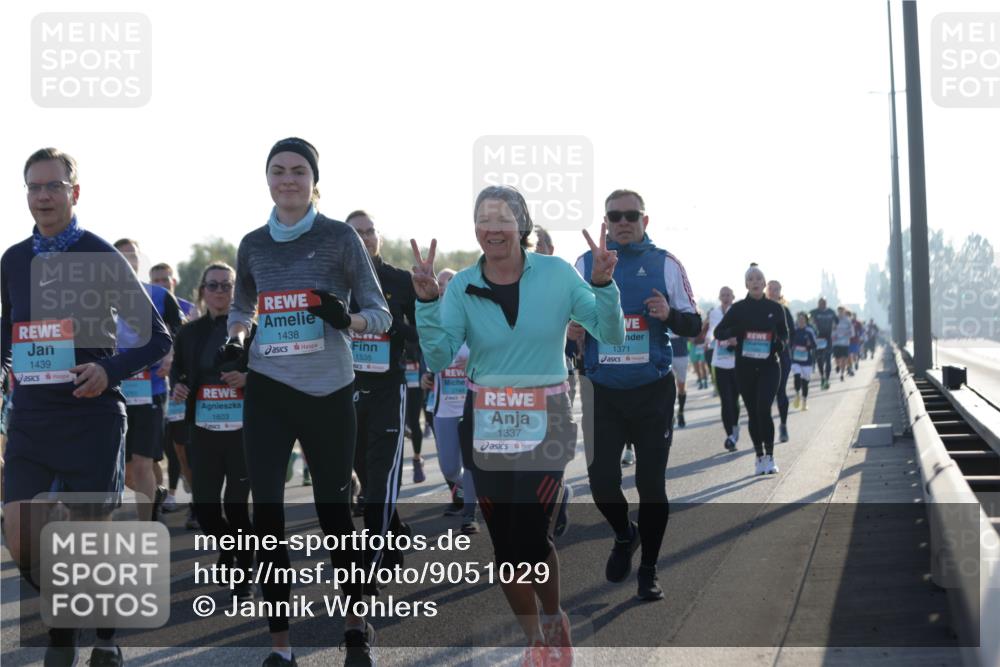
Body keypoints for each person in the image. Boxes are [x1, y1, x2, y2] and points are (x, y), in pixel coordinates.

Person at [412, 185, 625, 666]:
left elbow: (609, 333)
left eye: (503, 218)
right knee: (507, 550)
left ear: (522, 226)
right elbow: (439, 354)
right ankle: (538, 641)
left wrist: (605, 286)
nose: (492, 228)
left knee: (531, 539)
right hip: (484, 421)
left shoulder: (556, 274)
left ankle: (553, 619)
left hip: (545, 419)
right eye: (483, 219)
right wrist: (427, 303)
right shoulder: (464, 284)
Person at [2, 147, 172, 667]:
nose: (43, 196)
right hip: (31, 418)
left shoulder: (101, 256)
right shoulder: (13, 260)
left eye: (53, 186)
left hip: (91, 416)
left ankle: (95, 636)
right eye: (34, 187)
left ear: (75, 193)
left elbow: (156, 338)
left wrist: (108, 370)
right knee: (20, 535)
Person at [226, 137, 391, 667]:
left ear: (314, 181)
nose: (288, 179)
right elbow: (242, 304)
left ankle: (355, 625)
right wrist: (237, 333)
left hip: (328, 389)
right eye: (279, 171)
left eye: (299, 171)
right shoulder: (252, 243)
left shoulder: (340, 237)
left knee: (334, 511)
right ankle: (281, 644)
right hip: (269, 389)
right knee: (267, 512)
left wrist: (349, 321)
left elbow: (379, 313)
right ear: (267, 179)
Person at [573, 188, 701, 602]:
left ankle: (649, 570)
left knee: (651, 485)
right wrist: (569, 330)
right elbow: (564, 319)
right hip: (602, 391)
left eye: (632, 215)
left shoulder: (665, 263)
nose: (623, 222)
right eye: (615, 216)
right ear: (605, 222)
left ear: (645, 222)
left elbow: (694, 324)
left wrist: (670, 315)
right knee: (601, 486)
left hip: (651, 392)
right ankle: (625, 534)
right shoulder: (582, 264)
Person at [170, 262, 255, 602]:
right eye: (213, 285)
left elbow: (273, 371)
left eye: (227, 285)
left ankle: (244, 572)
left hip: (242, 432)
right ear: (202, 291)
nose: (220, 291)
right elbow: (178, 371)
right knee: (205, 509)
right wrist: (178, 385)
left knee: (236, 508)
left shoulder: (253, 329)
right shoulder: (189, 333)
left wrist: (248, 379)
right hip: (203, 429)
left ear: (237, 291)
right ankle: (230, 547)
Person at [345, 209, 418, 573]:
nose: (365, 237)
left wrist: (391, 326)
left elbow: (421, 335)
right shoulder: (335, 283)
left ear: (379, 237)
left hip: (389, 387)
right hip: (348, 389)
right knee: (366, 474)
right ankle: (392, 533)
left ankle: (371, 560)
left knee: (381, 476)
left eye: (370, 231)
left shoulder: (399, 280)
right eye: (356, 232)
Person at [113, 239, 185, 522]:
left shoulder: (158, 295)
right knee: (126, 470)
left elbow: (180, 332)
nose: (126, 262)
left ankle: (146, 528)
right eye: (120, 257)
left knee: (143, 462)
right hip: (114, 390)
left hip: (151, 388)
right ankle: (156, 493)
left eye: (131, 257)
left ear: (139, 262)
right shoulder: (97, 297)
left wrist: (171, 355)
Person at [714, 264, 789, 475]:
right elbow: (719, 332)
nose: (755, 282)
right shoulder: (738, 309)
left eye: (759, 278)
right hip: (745, 367)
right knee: (754, 414)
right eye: (751, 279)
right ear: (746, 284)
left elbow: (784, 334)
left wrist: (779, 343)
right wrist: (737, 331)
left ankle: (771, 457)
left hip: (769, 366)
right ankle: (759, 457)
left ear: (764, 284)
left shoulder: (775, 309)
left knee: (764, 409)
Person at [427, 268, 479, 534]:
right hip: (444, 406)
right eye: (442, 286)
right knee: (449, 467)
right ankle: (475, 489)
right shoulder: (434, 322)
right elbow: (427, 356)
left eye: (451, 285)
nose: (446, 290)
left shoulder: (473, 320)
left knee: (470, 462)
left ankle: (469, 513)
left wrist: (474, 359)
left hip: (472, 405)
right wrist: (428, 373)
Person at [149, 262, 198, 518]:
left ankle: (196, 501)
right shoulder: (143, 307)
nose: (162, 284)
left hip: (179, 387)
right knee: (164, 448)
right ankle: (169, 493)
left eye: (165, 279)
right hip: (153, 387)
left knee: (182, 446)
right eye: (156, 280)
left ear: (174, 281)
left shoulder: (189, 309)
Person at [710, 287, 741, 450]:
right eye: (723, 294)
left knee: (735, 400)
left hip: (736, 363)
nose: (726, 297)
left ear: (733, 296)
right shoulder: (714, 313)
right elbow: (711, 332)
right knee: (726, 401)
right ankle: (729, 435)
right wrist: (709, 340)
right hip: (719, 362)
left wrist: (733, 339)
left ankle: (735, 426)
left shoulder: (737, 312)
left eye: (728, 295)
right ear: (719, 297)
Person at [766, 280, 794, 443]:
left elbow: (791, 333)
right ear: (766, 290)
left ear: (780, 291)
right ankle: (766, 427)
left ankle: (783, 425)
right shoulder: (760, 308)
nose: (773, 291)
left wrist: (782, 343)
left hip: (782, 356)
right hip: (762, 356)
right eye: (771, 289)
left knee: (780, 391)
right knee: (765, 394)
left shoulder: (784, 310)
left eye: (776, 289)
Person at [789, 312, 818, 411]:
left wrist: (809, 345)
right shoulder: (794, 331)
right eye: (799, 319)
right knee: (796, 376)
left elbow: (814, 345)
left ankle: (804, 402)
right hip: (796, 359)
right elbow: (789, 342)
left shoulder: (809, 331)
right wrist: (792, 346)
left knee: (805, 383)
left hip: (807, 361)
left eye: (802, 319)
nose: (800, 321)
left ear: (806, 320)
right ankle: (797, 394)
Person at [809, 297, 838, 390]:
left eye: (824, 303)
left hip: (828, 338)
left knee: (828, 359)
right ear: (818, 304)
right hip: (818, 339)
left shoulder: (831, 312)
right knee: (819, 359)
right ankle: (822, 376)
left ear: (826, 303)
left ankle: (827, 380)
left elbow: (837, 321)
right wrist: (811, 324)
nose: (822, 304)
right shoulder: (814, 312)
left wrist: (834, 326)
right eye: (820, 303)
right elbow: (807, 320)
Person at [669, 334, 690, 428]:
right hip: (667, 355)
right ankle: (670, 414)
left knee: (681, 387)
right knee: (669, 386)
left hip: (681, 355)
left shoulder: (682, 317)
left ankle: (681, 411)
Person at [832, 306, 853, 381]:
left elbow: (852, 332)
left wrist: (846, 334)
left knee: (844, 359)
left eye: (842, 311)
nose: (840, 313)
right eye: (839, 311)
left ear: (844, 311)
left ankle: (842, 374)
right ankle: (837, 365)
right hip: (836, 343)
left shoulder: (847, 320)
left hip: (845, 343)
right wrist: (833, 335)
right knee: (837, 358)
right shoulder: (834, 320)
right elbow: (832, 329)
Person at [689, 318, 709, 390]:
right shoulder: (689, 323)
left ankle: (705, 380)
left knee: (703, 365)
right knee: (696, 366)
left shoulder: (704, 323)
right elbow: (687, 335)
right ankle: (700, 381)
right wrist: (690, 338)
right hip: (694, 347)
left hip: (702, 346)